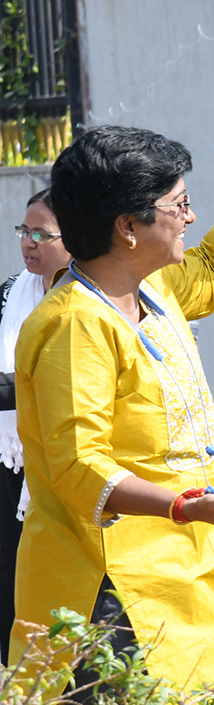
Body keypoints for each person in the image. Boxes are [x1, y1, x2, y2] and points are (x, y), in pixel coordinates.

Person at [9, 125, 214, 705]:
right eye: (178, 205)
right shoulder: (75, 324)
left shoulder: (153, 290)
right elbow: (79, 467)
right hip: (114, 590)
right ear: (128, 227)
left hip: (192, 569)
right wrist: (180, 505)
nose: (191, 217)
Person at [0, 189, 72, 661]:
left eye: (41, 234)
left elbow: (51, 380)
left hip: (65, 463)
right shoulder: (10, 293)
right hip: (11, 459)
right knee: (11, 577)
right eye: (24, 232)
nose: (28, 242)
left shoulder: (88, 300)